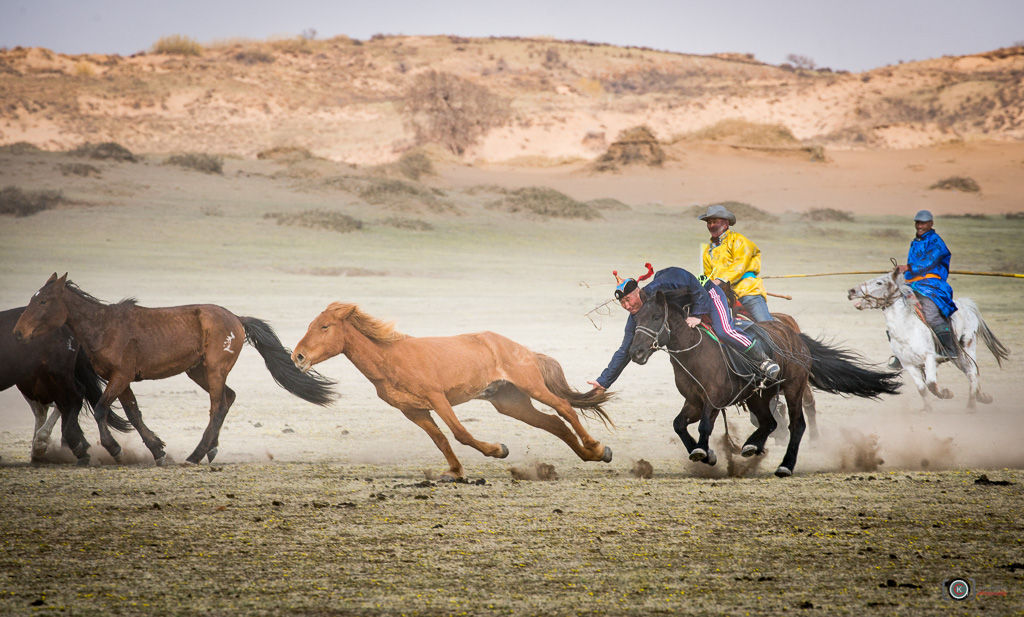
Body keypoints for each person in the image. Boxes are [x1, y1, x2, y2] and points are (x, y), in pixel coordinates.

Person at [587, 264, 780, 392]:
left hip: (709, 294)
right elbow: (625, 349)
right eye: (622, 303)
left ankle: (763, 360)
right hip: (691, 306)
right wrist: (604, 382)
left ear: (638, 291)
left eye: (628, 300)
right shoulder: (638, 314)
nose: (627, 306)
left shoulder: (664, 282)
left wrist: (697, 313)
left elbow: (693, 282)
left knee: (723, 331)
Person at [897, 209, 958, 360]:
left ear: (931, 223)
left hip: (931, 285)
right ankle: (900, 355)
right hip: (912, 283)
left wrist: (908, 267)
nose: (920, 226)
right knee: (898, 314)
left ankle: (950, 349)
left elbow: (929, 261)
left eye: (923, 223)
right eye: (918, 223)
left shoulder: (936, 241)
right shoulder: (916, 241)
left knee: (930, 315)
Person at [698, 204, 773, 322]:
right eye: (709, 222)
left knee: (767, 325)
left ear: (725, 224)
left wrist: (720, 280)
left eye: (715, 222)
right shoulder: (708, 251)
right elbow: (709, 275)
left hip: (747, 293)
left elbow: (740, 265)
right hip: (724, 297)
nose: (711, 225)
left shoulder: (739, 240)